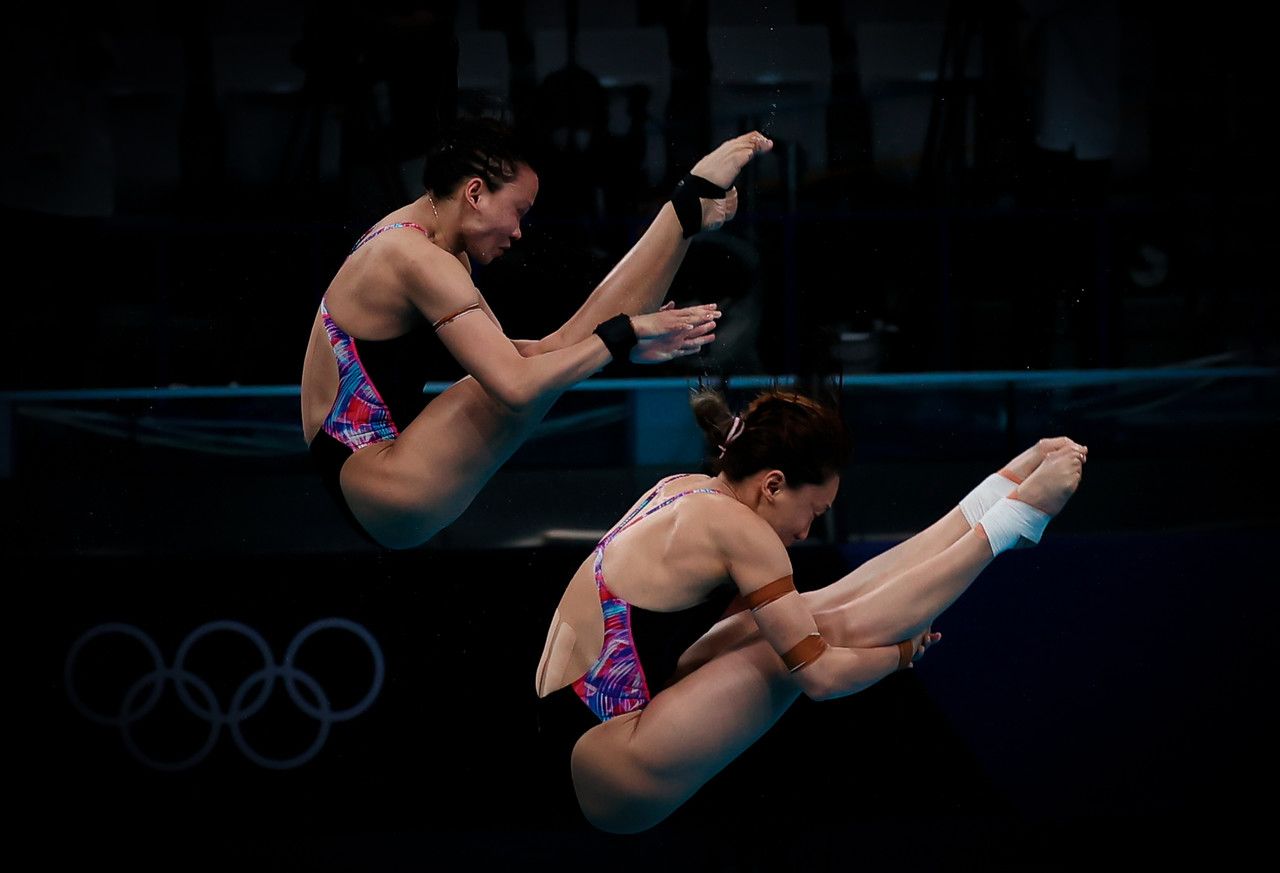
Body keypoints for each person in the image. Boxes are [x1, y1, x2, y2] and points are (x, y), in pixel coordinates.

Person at [534, 387, 1086, 833]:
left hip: (583, 742)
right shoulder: (742, 532)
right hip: (607, 767)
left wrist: (1002, 484)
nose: (805, 531)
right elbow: (822, 679)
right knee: (796, 652)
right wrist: (900, 654)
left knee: (811, 611)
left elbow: (834, 603)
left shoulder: (681, 488)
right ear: (773, 484)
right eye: (813, 511)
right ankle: (1012, 524)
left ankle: (995, 505)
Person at [301, 118, 773, 548]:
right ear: (475, 193)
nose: (519, 232)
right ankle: (683, 209)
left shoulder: (425, 242)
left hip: (371, 475)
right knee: (528, 383)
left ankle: (684, 215)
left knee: (553, 355)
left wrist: (622, 343)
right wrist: (623, 335)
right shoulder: (416, 258)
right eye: (518, 210)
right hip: (383, 483)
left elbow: (532, 356)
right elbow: (517, 386)